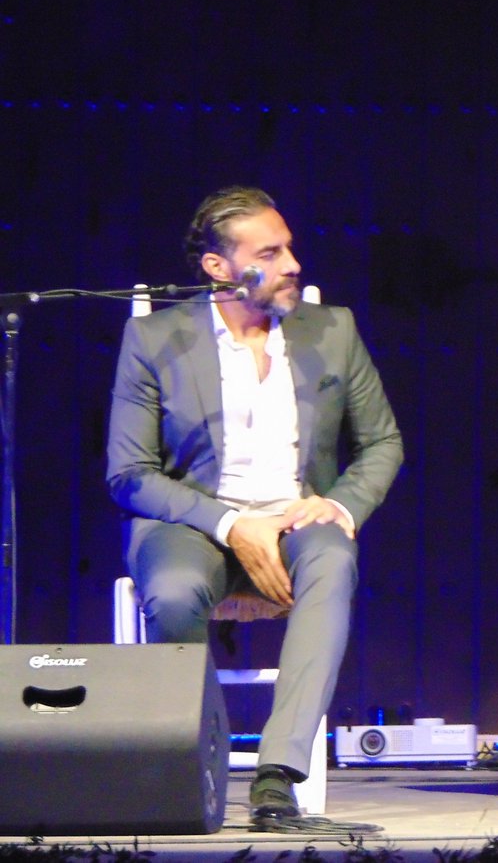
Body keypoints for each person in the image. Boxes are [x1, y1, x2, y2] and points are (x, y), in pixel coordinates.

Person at [107, 186, 403, 822]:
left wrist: (341, 504)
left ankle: (277, 775)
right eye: (270, 252)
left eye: (289, 246)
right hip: (193, 522)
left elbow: (382, 442)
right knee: (178, 589)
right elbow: (129, 474)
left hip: (296, 520)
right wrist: (235, 524)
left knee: (333, 560)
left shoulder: (332, 330)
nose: (292, 262)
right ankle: (193, 762)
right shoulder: (157, 340)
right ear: (219, 267)